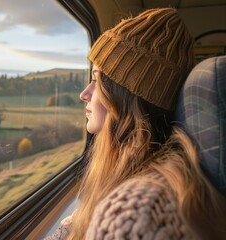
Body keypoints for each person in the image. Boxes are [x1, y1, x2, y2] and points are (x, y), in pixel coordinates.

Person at [45, 8, 226, 240]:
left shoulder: (134, 215)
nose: (84, 94)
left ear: (126, 96)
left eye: (96, 80)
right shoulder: (128, 175)